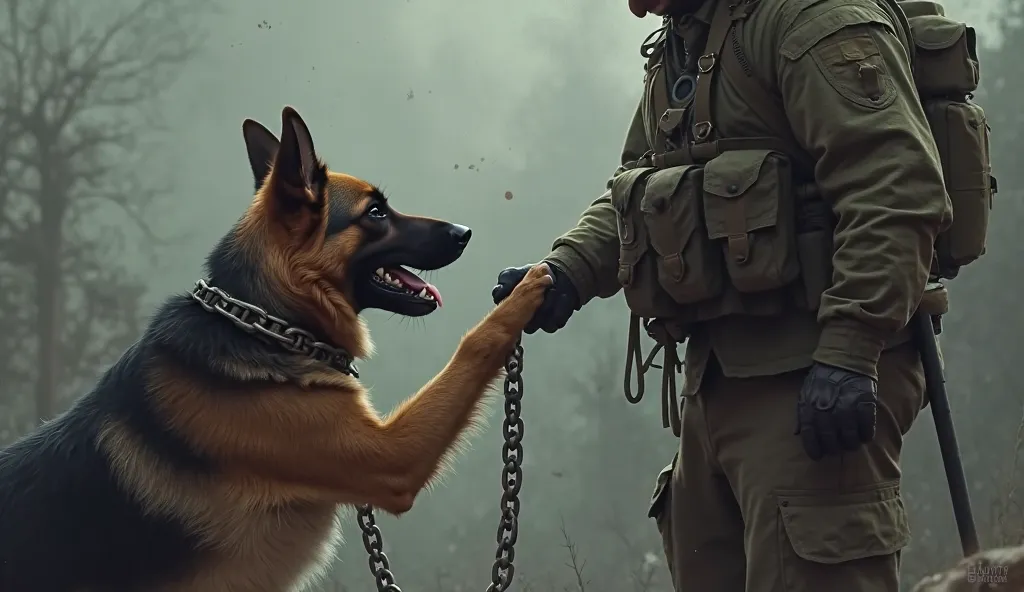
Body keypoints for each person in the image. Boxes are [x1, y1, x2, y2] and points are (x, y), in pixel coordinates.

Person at [492, 0, 967, 590]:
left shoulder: (810, 21)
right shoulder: (686, 38)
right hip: (717, 378)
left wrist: (849, 349)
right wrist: (563, 273)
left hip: (814, 378)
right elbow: (640, 188)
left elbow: (896, 187)